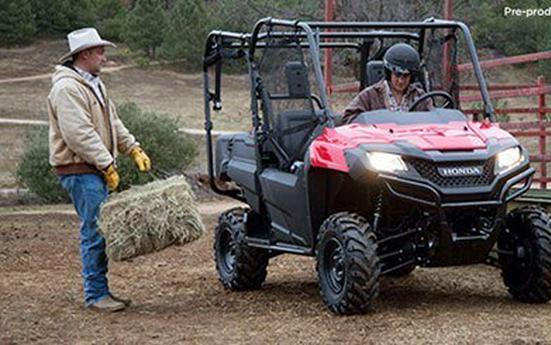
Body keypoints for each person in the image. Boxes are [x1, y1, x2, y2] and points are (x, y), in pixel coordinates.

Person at [47, 28, 152, 312]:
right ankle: (95, 295)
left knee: (100, 230)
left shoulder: (95, 85)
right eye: (100, 52)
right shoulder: (67, 88)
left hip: (93, 168)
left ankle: (101, 290)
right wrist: (106, 162)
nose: (104, 58)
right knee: (94, 230)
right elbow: (78, 133)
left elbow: (113, 122)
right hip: (79, 169)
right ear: (84, 54)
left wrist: (133, 148)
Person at [342, 43, 432, 124]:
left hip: (412, 139)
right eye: (397, 75)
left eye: (406, 76)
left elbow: (433, 121)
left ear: (412, 77)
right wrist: (371, 124)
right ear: (389, 73)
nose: (401, 81)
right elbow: (348, 118)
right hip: (379, 140)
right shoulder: (370, 95)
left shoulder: (421, 97)